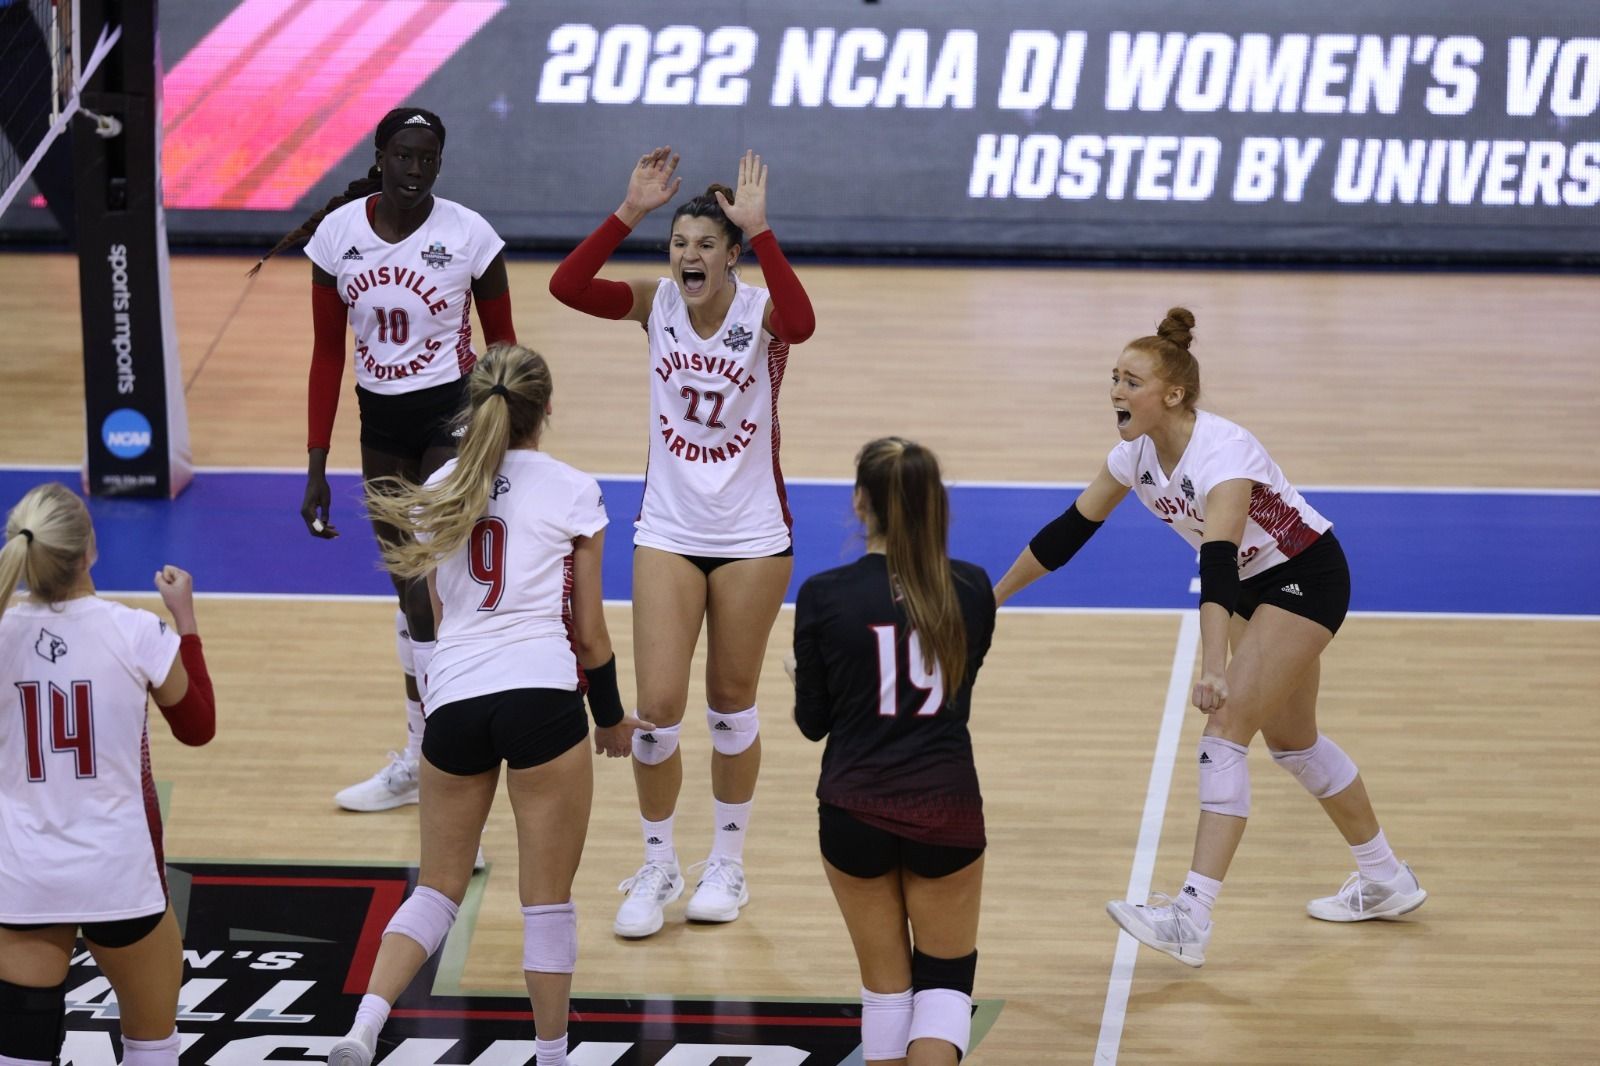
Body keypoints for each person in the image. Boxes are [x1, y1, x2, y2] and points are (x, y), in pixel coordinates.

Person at [994, 308, 1426, 968]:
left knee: (1223, 729)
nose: (1115, 390)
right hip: (1258, 586)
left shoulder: (1223, 452)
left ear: (1172, 395)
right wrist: (990, 600)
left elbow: (1217, 560)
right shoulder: (1134, 455)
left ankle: (1191, 916)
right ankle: (1387, 877)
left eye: (1130, 380)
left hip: (1303, 576)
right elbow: (1069, 531)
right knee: (1295, 744)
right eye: (1113, 377)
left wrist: (1214, 665)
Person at [327, 344, 651, 1066]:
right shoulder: (573, 489)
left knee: (438, 889)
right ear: (547, 411)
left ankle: (362, 1028)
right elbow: (590, 634)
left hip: (456, 699)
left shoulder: (442, 483)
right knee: (547, 903)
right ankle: (553, 1055)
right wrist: (610, 720)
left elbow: (435, 614)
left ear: (475, 407)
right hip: (541, 696)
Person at [548, 147, 816, 937]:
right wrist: (628, 209)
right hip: (667, 529)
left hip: (753, 537)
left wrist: (765, 233)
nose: (690, 257)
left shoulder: (761, 311)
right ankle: (658, 862)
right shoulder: (656, 304)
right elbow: (567, 287)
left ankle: (727, 867)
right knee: (657, 712)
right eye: (680, 244)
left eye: (707, 244)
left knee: (730, 705)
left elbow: (803, 323)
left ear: (731, 254)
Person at [255, 106, 517, 812]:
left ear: (440, 164)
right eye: (403, 156)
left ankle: (447, 766)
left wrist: (508, 440)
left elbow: (506, 352)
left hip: (451, 416)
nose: (414, 169)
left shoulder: (469, 235)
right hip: (381, 425)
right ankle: (419, 757)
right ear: (380, 156)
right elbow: (327, 356)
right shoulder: (337, 238)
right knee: (408, 600)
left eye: (428, 158)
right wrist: (316, 464)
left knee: (431, 584)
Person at [790, 438, 995, 1066]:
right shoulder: (971, 588)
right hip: (946, 809)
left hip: (853, 809)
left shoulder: (824, 595)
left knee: (885, 992)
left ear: (861, 503)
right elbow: (956, 697)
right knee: (944, 988)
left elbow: (813, 724)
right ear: (936, 505)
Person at [0, 483, 216, 1066]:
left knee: (21, 1052)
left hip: (23, 879)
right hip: (118, 876)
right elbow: (198, 726)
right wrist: (185, 621)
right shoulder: (134, 631)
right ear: (89, 549)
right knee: (151, 1047)